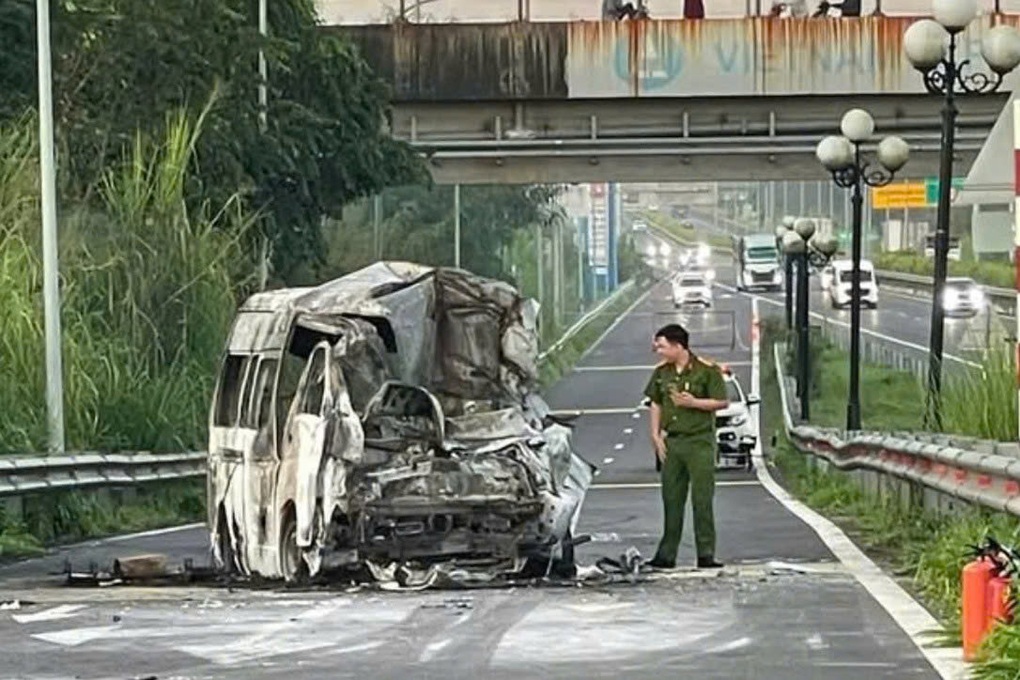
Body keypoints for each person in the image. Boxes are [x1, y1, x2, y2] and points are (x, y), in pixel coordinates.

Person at [643, 323, 729, 569]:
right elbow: (656, 403)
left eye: (662, 346)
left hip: (699, 441)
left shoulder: (707, 370)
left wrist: (694, 403)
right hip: (673, 442)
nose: (658, 351)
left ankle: (706, 553)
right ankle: (666, 554)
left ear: (678, 346)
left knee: (702, 499)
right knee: (671, 498)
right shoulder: (662, 373)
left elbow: (721, 402)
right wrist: (655, 435)